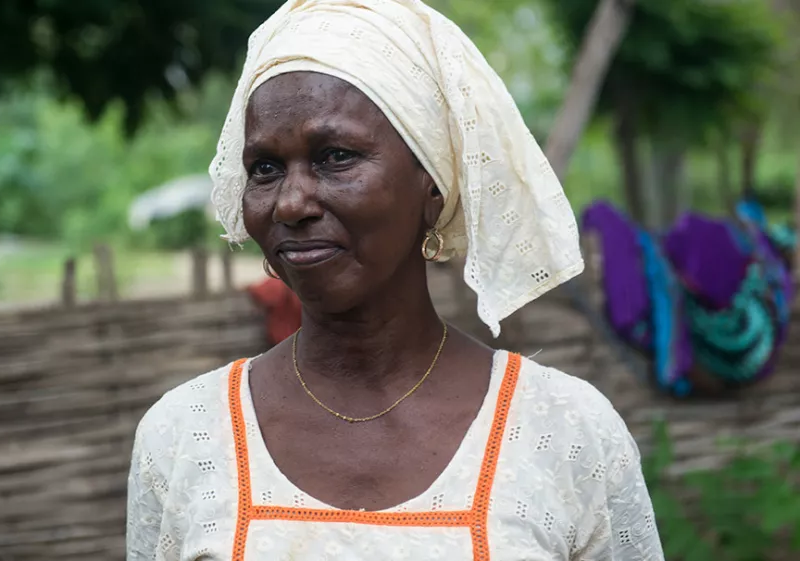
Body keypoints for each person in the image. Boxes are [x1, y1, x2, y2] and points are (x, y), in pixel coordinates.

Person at [127, 0, 665, 559]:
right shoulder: (183, 436)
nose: (290, 203)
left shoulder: (567, 433)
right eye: (264, 168)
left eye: (335, 156)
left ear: (432, 184)